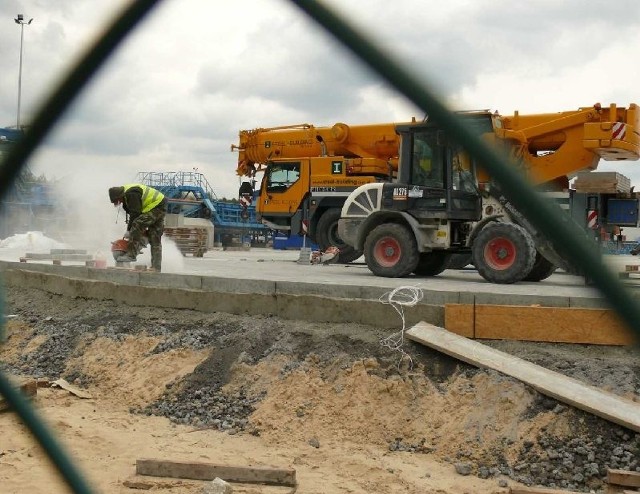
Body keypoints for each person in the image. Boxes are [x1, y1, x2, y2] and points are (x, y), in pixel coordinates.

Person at [108, 184, 167, 271]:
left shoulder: (131, 194)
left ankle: (131, 254)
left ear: (120, 196)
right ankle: (156, 267)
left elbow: (135, 214)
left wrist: (129, 231)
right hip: (159, 204)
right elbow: (133, 214)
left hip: (157, 206)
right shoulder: (126, 199)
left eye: (117, 200)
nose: (118, 203)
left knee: (138, 224)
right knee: (154, 237)